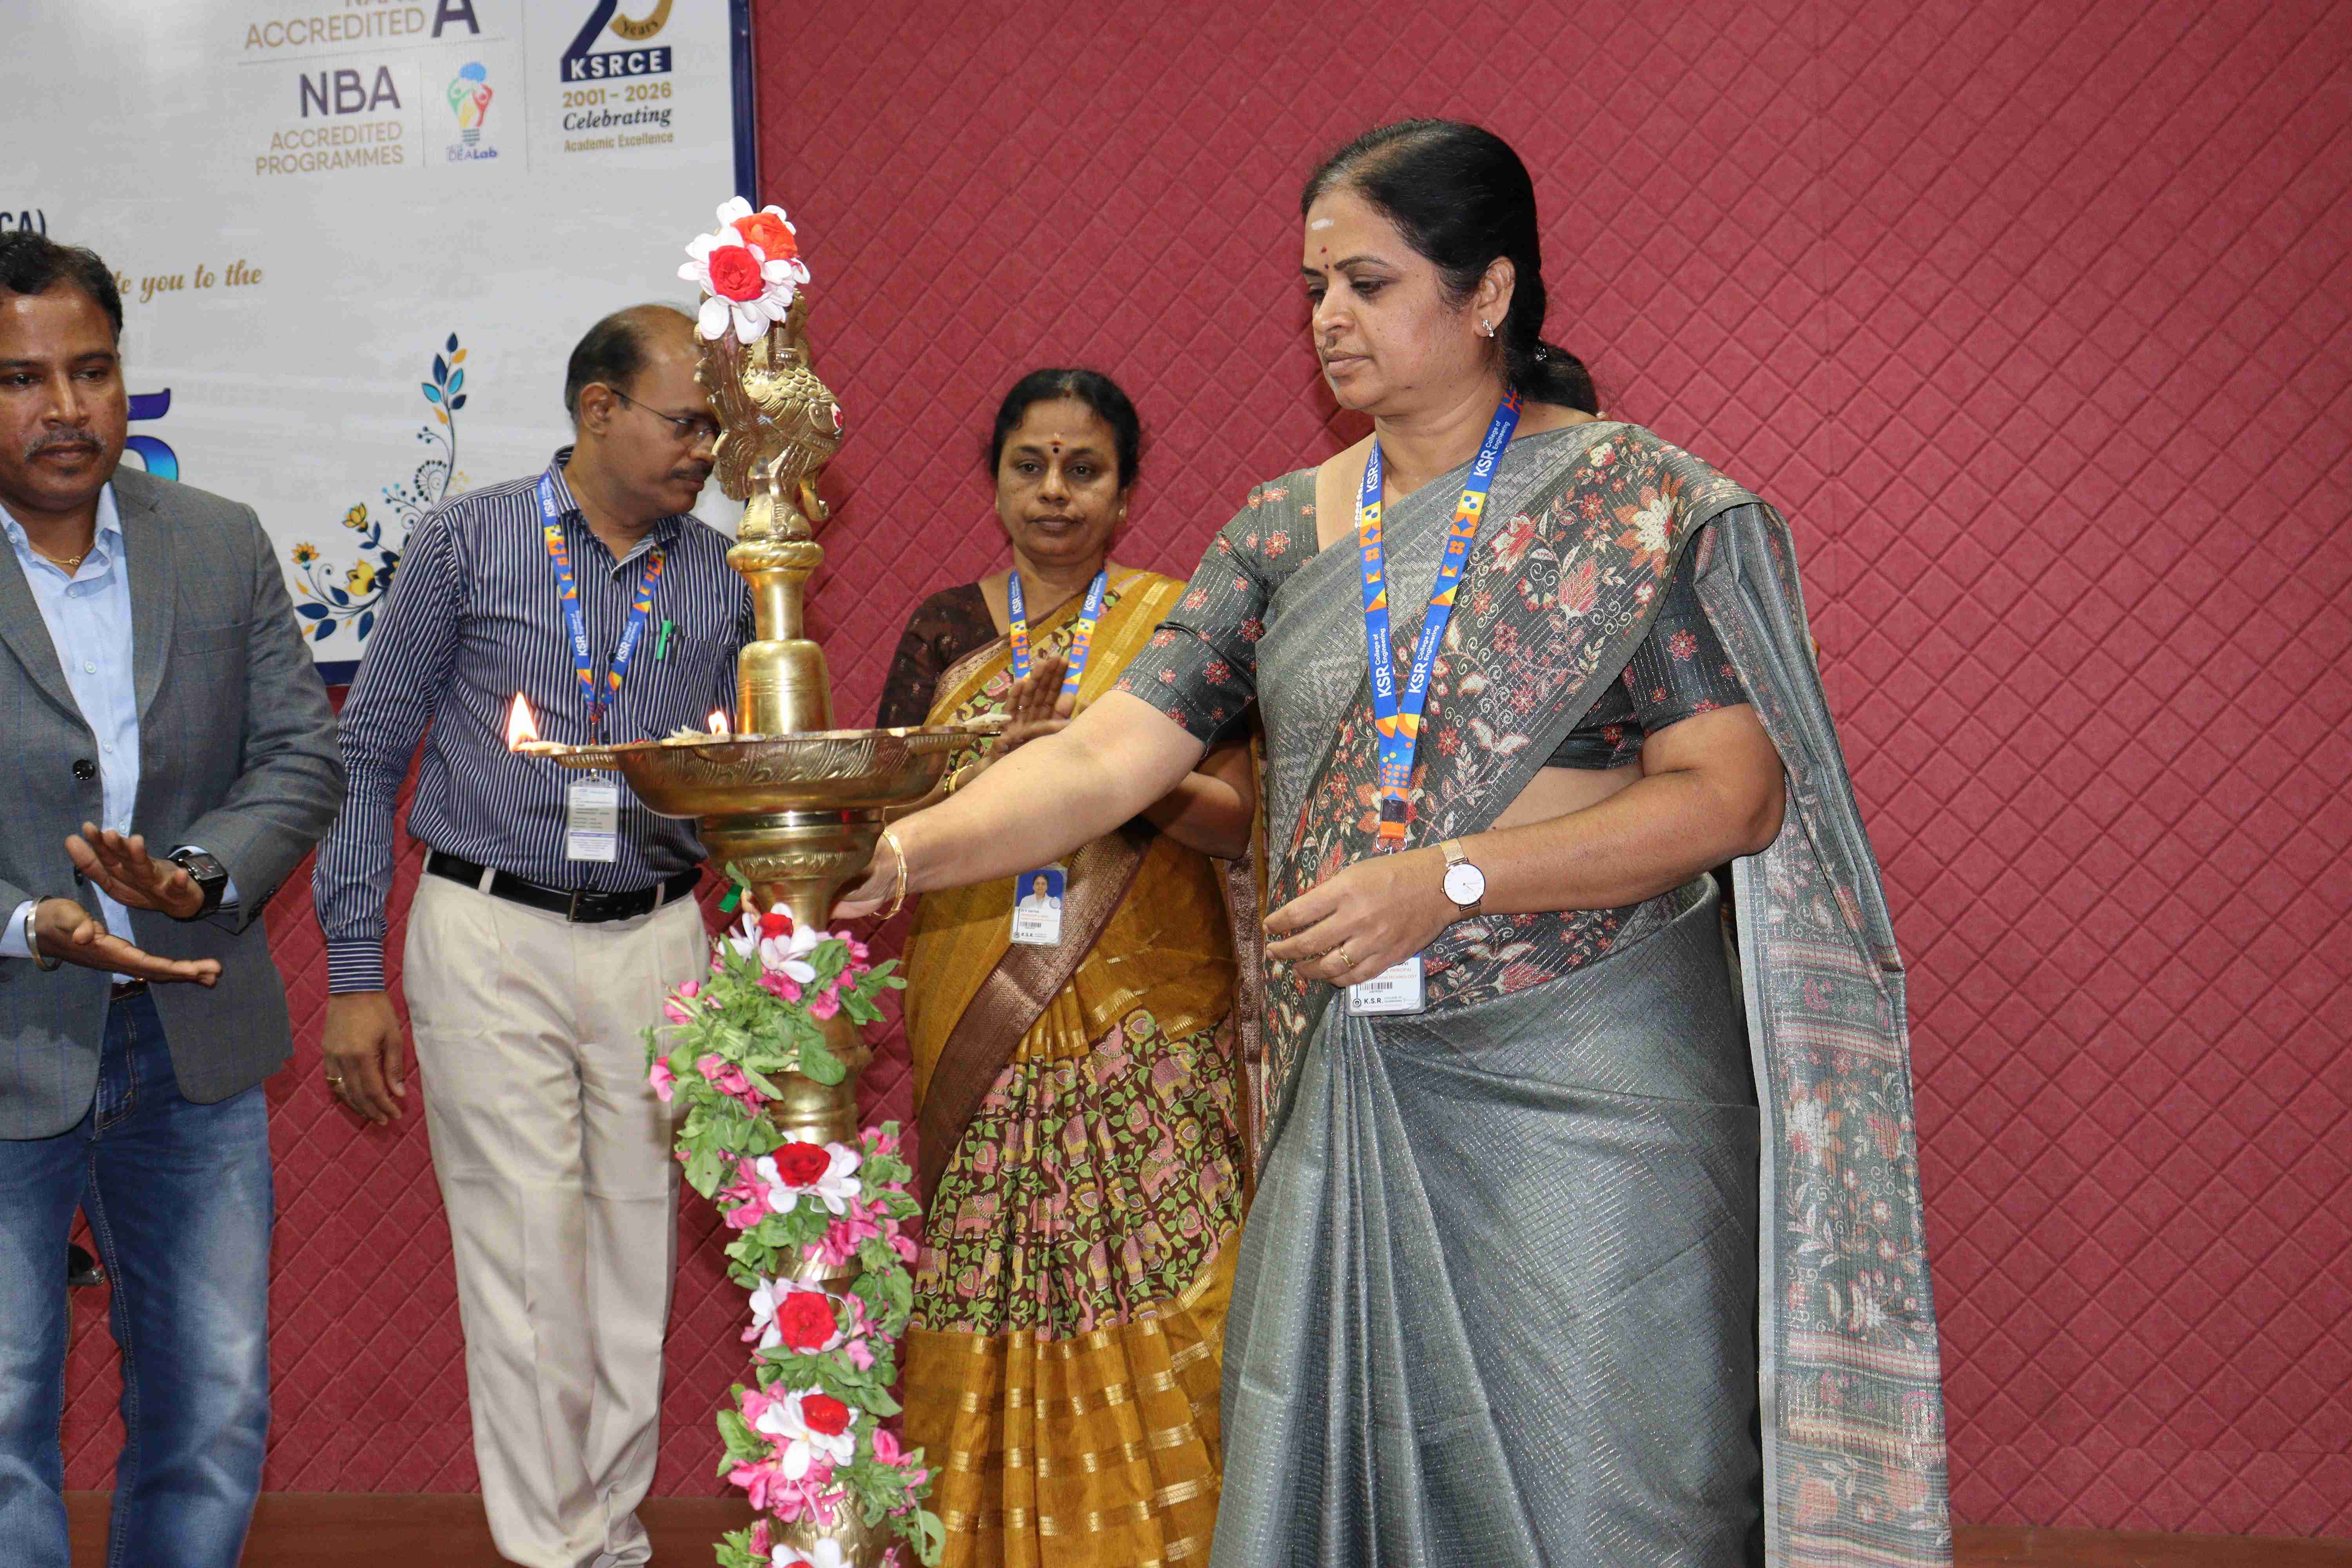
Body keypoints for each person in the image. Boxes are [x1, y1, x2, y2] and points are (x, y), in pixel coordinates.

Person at [844, 122, 1952, 1567]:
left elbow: (1731, 796)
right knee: (1356, 1488)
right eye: (1315, 287)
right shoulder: (1282, 533)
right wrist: (907, 853)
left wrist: (1452, 881)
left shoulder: (1633, 504)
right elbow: (1115, 752)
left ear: (1487, 293)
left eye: (1367, 284)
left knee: (1610, 1503)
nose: (1328, 319)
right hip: (1359, 1076)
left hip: (1596, 1087)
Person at [312, 304, 751, 1568]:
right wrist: (353, 974)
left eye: (719, 428)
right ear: (599, 410)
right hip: (489, 928)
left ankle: (608, 1532)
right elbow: (367, 754)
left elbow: (742, 788)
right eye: (688, 421)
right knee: (525, 1260)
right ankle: (553, 1548)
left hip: (660, 935)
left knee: (633, 1257)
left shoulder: (725, 575)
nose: (708, 450)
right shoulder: (467, 540)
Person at [873, 368, 1262, 1568]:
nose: (1054, 491)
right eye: (1029, 465)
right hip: (980, 1006)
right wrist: (997, 770)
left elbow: (1241, 820)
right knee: (982, 1285)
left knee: (1178, 1294)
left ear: (1127, 492)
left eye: (1084, 469)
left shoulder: (1180, 627)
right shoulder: (944, 632)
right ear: (994, 482)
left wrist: (1106, 773)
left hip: (1147, 1025)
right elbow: (885, 825)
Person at [0, 230, 343, 1568]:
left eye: (92, 371)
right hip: (12, 1037)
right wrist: (31, 920)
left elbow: (299, 755)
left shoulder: (215, 541)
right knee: (3, 1419)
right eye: (21, 378)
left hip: (191, 1045)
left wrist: (192, 879)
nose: (66, 407)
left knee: (213, 1408)